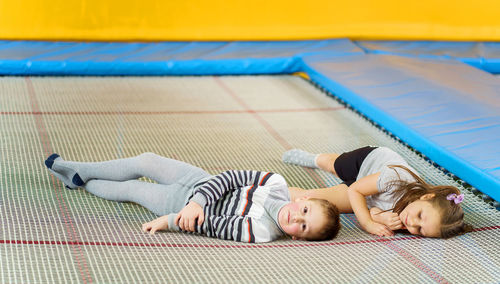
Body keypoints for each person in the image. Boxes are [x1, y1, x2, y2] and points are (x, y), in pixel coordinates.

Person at [44, 152, 340, 243]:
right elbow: (230, 177)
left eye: (303, 226)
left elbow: (215, 225)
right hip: (197, 181)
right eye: (304, 210)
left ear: (298, 238)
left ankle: (82, 183)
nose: (296, 217)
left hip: (178, 205)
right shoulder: (276, 183)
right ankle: (83, 169)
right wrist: (200, 198)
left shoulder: (262, 231)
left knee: (131, 190)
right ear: (304, 199)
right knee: (145, 161)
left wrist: (173, 219)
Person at [282, 146, 472, 238]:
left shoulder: (406, 222)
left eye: (420, 230)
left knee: (314, 200)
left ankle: (274, 196)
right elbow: (356, 190)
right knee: (335, 166)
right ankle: (314, 158)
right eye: (420, 215)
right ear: (426, 197)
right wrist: (367, 224)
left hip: (371, 197)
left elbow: (374, 211)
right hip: (366, 163)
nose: (412, 224)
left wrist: (379, 218)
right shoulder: (396, 178)